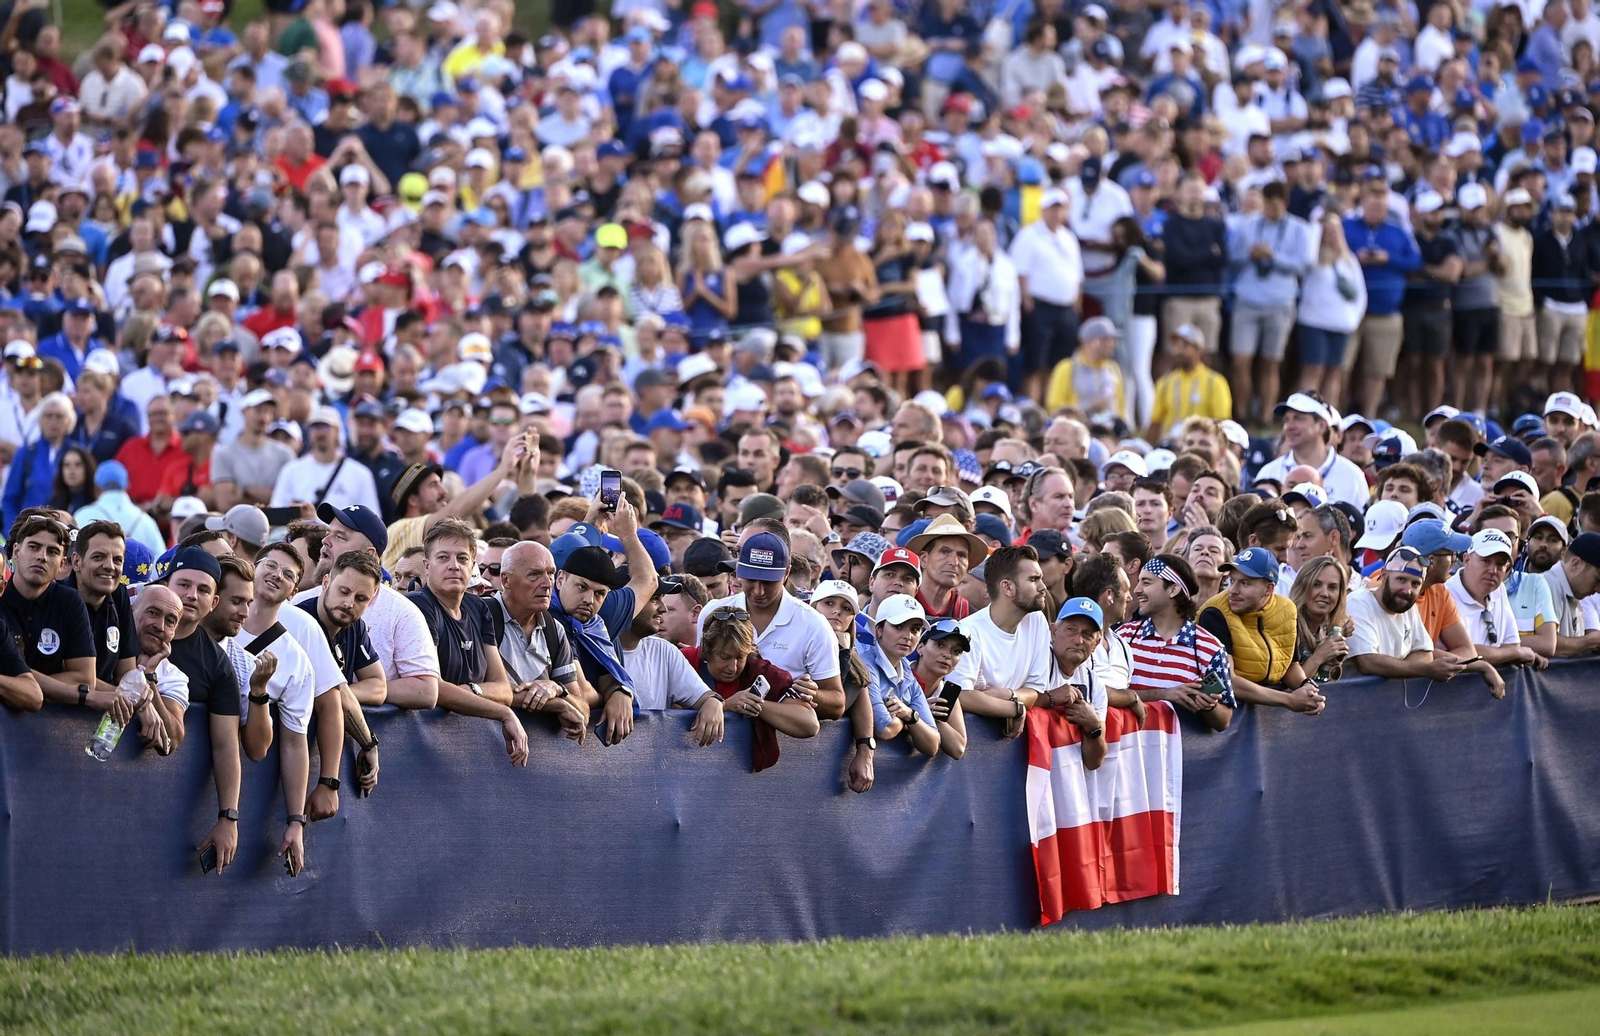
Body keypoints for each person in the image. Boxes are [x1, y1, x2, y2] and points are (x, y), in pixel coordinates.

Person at [159, 547, 248, 873]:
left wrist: (228, 817)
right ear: (166, 584)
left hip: (167, 798)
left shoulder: (218, 666)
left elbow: (226, 745)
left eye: (203, 590)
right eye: (183, 584)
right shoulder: (129, 625)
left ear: (214, 603)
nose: (191, 595)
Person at [407, 517, 524, 765]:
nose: (454, 566)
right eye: (443, 558)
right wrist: (502, 712)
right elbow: (433, 688)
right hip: (420, 750)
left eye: (462, 558)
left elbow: (503, 690)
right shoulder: (418, 605)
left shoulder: (478, 608)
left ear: (473, 565)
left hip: (470, 753)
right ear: (427, 566)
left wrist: (469, 691)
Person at [696, 528, 844, 719]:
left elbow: (837, 703)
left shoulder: (813, 624)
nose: (759, 591)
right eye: (751, 579)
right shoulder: (712, 612)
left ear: (786, 573)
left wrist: (813, 694)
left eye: (768, 582)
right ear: (738, 570)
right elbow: (695, 682)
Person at [1347, 545, 1505, 697]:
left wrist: (1483, 666)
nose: (1407, 590)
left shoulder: (1407, 606)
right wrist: (1424, 670)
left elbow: (1425, 654)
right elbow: (1368, 662)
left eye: (1415, 584)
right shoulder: (1359, 602)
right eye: (1401, 580)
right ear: (1383, 575)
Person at [683, 603, 821, 770]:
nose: (733, 667)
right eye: (724, 657)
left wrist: (752, 704)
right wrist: (726, 704)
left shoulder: (760, 671)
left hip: (738, 774)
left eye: (740, 657)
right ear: (707, 648)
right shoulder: (685, 662)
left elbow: (809, 724)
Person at [1197, 547, 1325, 714]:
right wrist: (1288, 700)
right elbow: (1227, 681)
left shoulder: (1287, 610)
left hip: (1267, 717)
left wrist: (1306, 686)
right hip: (1221, 716)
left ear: (1268, 589)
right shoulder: (1214, 613)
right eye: (1232, 580)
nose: (1233, 590)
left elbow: (1289, 666)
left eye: (1245, 583)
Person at [951, 545, 1057, 738]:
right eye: (1034, 580)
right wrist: (1015, 709)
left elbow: (1034, 691)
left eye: (1040, 578)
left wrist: (1008, 695)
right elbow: (960, 695)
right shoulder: (968, 630)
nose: (1043, 587)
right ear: (1007, 587)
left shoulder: (1037, 620)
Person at [1119, 554, 1233, 732]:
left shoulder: (1210, 648)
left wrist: (1208, 706)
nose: (1137, 589)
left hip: (1182, 758)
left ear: (1173, 590)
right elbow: (1106, 694)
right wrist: (1166, 694)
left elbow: (1224, 721)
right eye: (1139, 582)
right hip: (1130, 756)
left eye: (1147, 583)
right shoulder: (1124, 637)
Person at [493, 540, 590, 741]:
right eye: (534, 574)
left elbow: (582, 711)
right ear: (506, 580)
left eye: (551, 573)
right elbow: (470, 690)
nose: (547, 584)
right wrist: (556, 704)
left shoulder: (555, 630)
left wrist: (557, 688)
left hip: (536, 763)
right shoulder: (480, 616)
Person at [618, 576, 725, 744]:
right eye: (654, 599)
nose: (663, 608)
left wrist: (714, 702)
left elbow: (704, 696)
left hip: (649, 766)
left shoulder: (663, 650)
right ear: (624, 601)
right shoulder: (590, 647)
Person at [1445, 528, 1546, 672]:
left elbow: (1512, 644)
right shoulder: (1446, 594)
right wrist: (1515, 654)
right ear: (1466, 560)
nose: (1493, 570)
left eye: (1500, 564)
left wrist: (1511, 652)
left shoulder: (1499, 590)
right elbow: (1463, 653)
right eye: (1485, 561)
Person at [859, 593, 941, 757]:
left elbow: (932, 744)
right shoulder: (864, 664)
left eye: (915, 629)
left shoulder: (908, 673)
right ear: (879, 630)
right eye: (898, 626)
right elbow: (884, 729)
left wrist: (909, 714)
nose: (907, 636)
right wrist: (908, 721)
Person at [270, 405, 382, 514]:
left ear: (337, 431)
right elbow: (278, 511)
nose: (320, 433)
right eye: (315, 427)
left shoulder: (360, 474)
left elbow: (372, 518)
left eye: (325, 427)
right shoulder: (291, 470)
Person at [1044, 598, 1111, 771]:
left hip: (1068, 782)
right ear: (1053, 632)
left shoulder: (1093, 683)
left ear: (1096, 644)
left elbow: (1094, 762)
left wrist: (1093, 726)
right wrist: (1049, 698)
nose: (1078, 640)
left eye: (1087, 634)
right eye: (1071, 630)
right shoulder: (1037, 662)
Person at [1147, 324, 1231, 443]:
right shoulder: (1165, 383)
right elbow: (1155, 423)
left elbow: (1222, 424)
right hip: (1171, 444)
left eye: (1185, 346)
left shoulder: (1215, 382)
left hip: (1201, 445)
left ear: (1198, 350)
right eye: (1177, 346)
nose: (1179, 351)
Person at [910, 618, 970, 759]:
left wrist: (933, 718)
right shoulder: (900, 678)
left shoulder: (946, 692)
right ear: (920, 648)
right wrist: (922, 714)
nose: (947, 655)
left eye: (956, 651)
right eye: (939, 645)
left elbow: (958, 749)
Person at [1288, 556, 1351, 683]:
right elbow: (1290, 687)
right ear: (1303, 587)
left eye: (1332, 587)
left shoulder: (1331, 629)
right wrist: (1320, 656)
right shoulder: (1288, 626)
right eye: (1316, 585)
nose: (1324, 593)